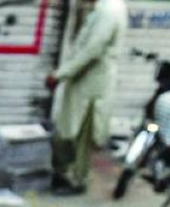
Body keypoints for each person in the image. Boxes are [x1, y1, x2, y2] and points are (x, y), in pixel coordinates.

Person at [45, 0, 127, 194]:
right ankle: (65, 174)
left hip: (92, 84)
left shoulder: (109, 10)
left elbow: (93, 50)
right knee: (69, 131)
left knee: (79, 135)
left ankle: (76, 180)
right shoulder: (103, 7)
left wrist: (60, 74)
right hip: (83, 81)